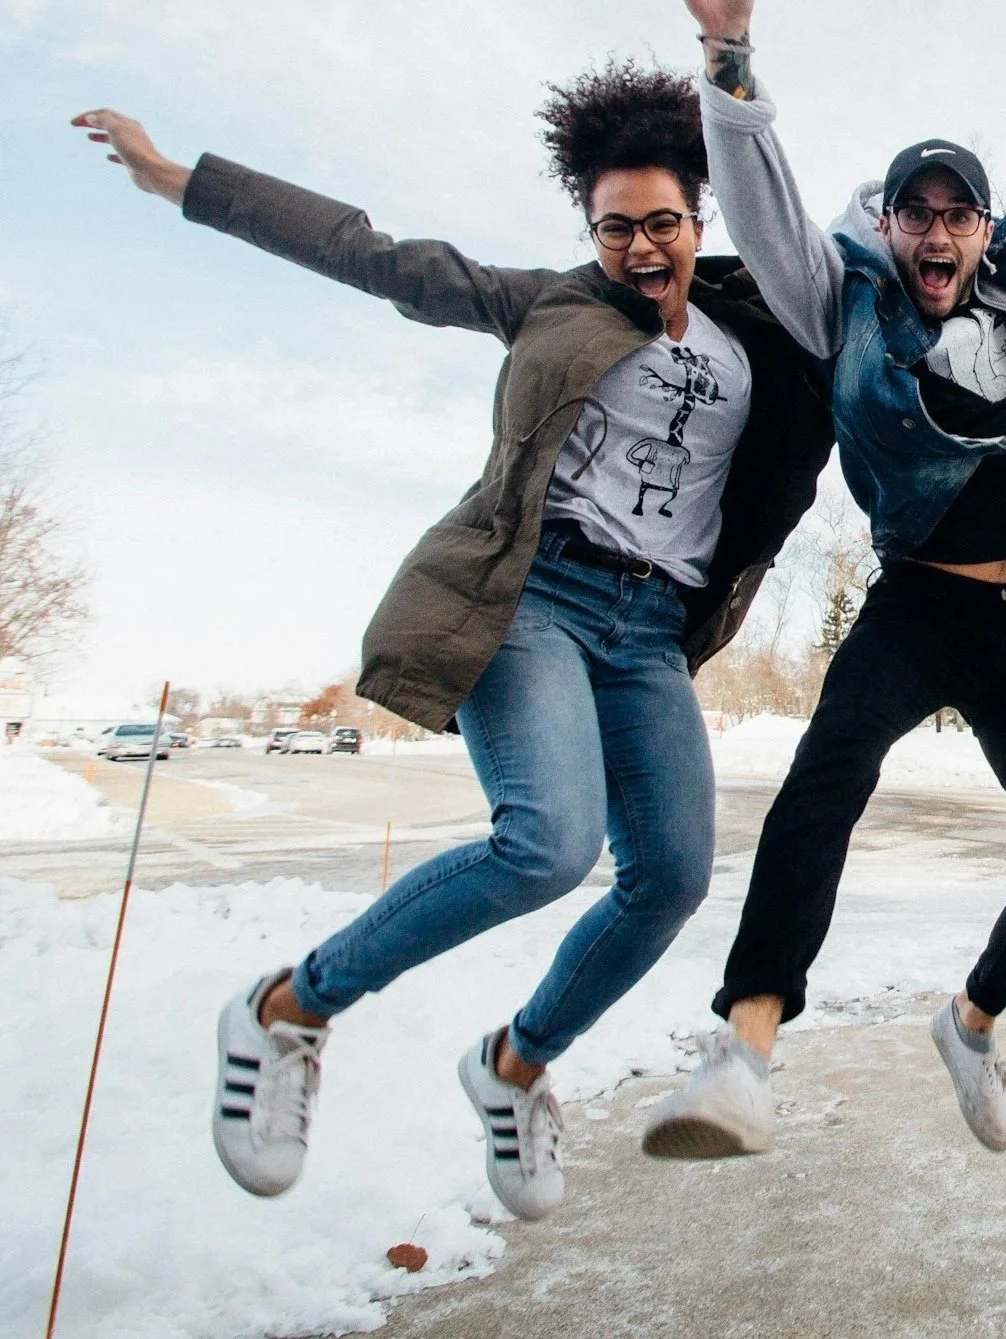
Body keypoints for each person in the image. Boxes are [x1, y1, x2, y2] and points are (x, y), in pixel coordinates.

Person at [72, 63, 832, 1215]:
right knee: (547, 843)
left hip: (649, 633)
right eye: (615, 227)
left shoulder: (757, 330)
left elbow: (851, 296)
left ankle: (514, 1065)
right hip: (529, 596)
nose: (640, 248)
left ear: (698, 218)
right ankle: (288, 1007)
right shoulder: (548, 303)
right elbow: (371, 252)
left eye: (662, 223)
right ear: (590, 228)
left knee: (671, 876)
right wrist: (187, 181)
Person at [634, 0, 1006, 1156]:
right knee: (820, 791)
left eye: (955, 214)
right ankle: (743, 1050)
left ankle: (971, 1021)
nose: (936, 231)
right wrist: (730, 65)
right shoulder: (844, 301)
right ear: (890, 227)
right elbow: (762, 210)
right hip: (913, 600)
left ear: (981, 229)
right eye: (915, 213)